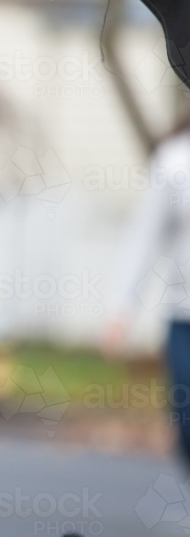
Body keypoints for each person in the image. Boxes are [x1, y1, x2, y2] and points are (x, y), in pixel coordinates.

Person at [104, 124, 190, 464]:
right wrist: (121, 310)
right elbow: (143, 239)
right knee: (186, 422)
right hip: (184, 318)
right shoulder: (175, 161)